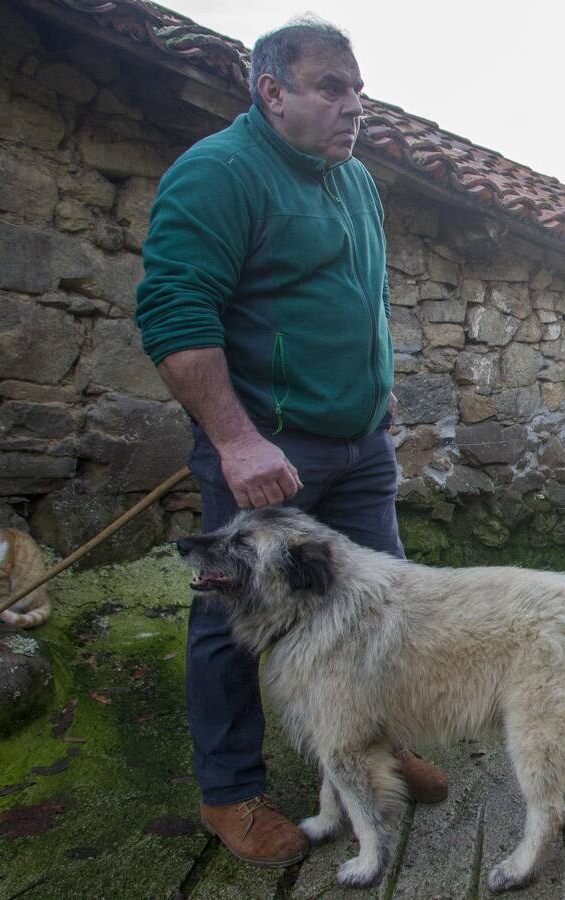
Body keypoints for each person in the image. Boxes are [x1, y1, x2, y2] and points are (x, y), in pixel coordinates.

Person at [134, 16, 447, 869]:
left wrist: (374, 403)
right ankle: (230, 790)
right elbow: (174, 316)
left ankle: (374, 746)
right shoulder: (218, 174)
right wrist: (234, 443)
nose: (355, 107)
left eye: (358, 89)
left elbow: (363, 305)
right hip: (266, 450)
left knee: (384, 607)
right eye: (331, 89)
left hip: (358, 447)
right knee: (228, 619)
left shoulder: (356, 183)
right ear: (272, 92)